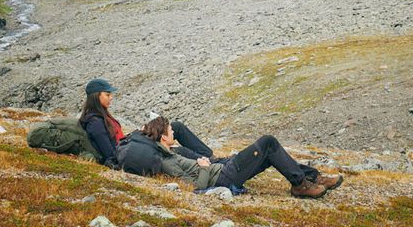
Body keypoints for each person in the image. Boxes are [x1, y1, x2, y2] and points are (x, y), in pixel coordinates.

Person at [144, 115, 342, 199]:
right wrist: (204, 167)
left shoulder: (172, 152)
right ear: (163, 137)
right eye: (171, 131)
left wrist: (208, 161)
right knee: (267, 141)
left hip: (223, 167)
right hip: (224, 176)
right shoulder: (168, 161)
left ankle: (311, 177)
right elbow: (197, 188)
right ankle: (300, 185)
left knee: (269, 153)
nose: (174, 133)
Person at [79, 79, 213, 167]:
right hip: (129, 151)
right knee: (178, 148)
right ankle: (209, 161)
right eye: (107, 95)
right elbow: (111, 154)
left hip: (130, 144)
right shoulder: (95, 123)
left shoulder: (101, 115)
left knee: (175, 127)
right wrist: (139, 137)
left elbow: (118, 141)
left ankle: (209, 156)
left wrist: (140, 132)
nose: (111, 97)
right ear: (97, 96)